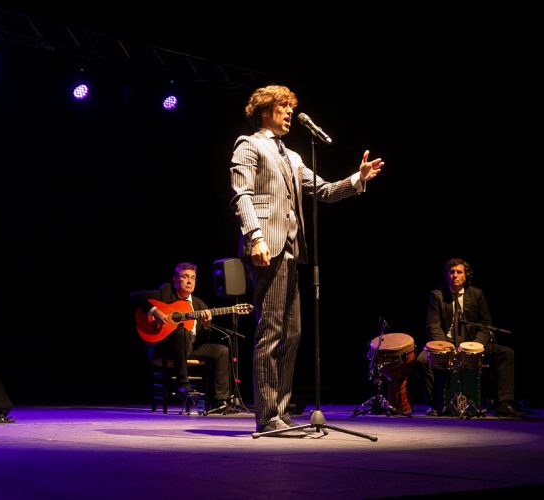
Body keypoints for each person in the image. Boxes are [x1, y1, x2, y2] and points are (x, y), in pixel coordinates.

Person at [229, 84, 384, 433]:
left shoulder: (294, 156)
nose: (289, 113)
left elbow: (325, 191)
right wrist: (254, 237)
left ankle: (281, 413)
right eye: (283, 106)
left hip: (292, 252)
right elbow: (241, 195)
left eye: (290, 106)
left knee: (293, 333)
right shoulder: (248, 144)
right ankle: (267, 416)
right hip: (267, 247)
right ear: (266, 110)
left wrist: (357, 179)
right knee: (270, 332)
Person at [417, 258, 521, 417]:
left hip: (472, 343)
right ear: (446, 275)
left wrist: (475, 346)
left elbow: (485, 324)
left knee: (506, 353)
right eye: (451, 272)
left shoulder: (477, 294)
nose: (455, 275)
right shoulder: (437, 295)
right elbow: (433, 325)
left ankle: (504, 402)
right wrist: (445, 347)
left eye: (459, 272)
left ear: (466, 275)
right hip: (446, 344)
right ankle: (435, 404)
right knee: (422, 360)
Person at [130, 262, 231, 410]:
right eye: (185, 277)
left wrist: (206, 325)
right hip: (167, 348)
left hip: (191, 346)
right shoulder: (165, 293)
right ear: (176, 280)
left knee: (222, 350)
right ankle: (183, 384)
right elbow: (135, 296)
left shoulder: (200, 305)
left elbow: (202, 339)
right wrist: (154, 311)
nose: (190, 281)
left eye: (193, 278)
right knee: (181, 331)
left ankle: (220, 401)